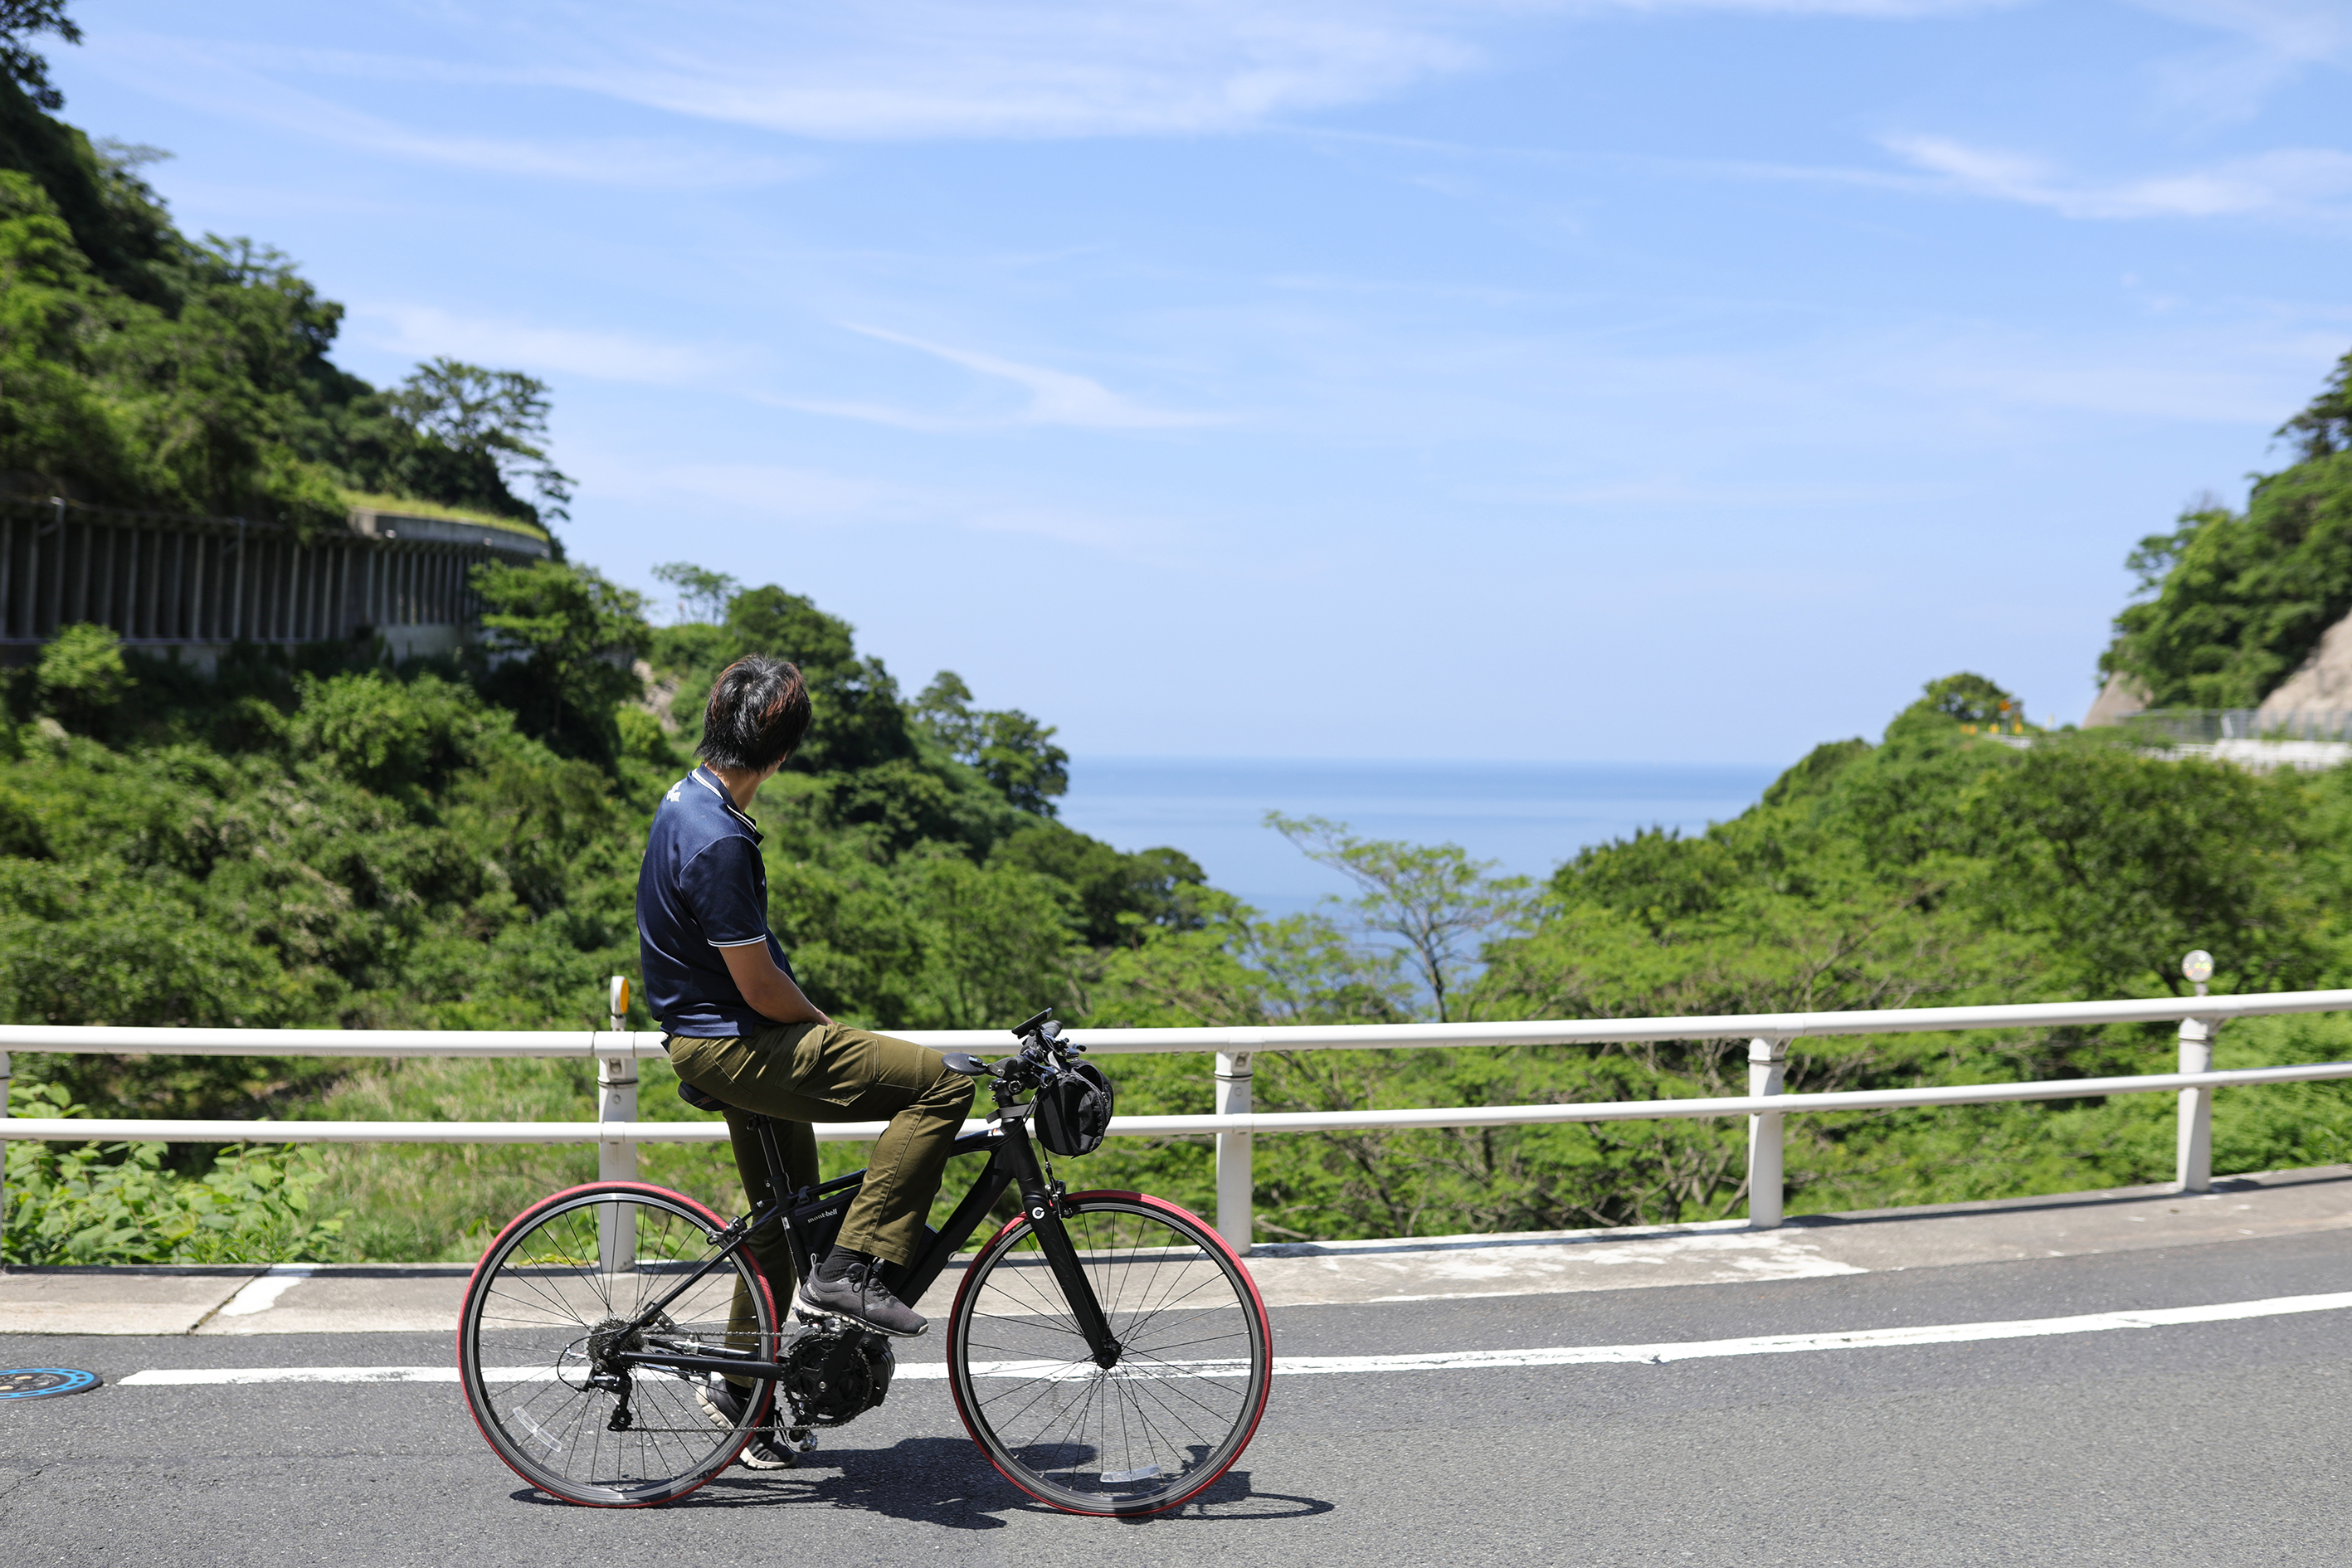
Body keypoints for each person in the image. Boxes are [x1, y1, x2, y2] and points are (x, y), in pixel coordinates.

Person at [635, 654, 975, 1463]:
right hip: (735, 1042)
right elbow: (759, 985)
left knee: (779, 1229)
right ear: (783, 754)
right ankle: (853, 1272)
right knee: (941, 1086)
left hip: (712, 1038)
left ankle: (743, 1397)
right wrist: (826, 1029)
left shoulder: (686, 800)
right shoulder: (720, 839)